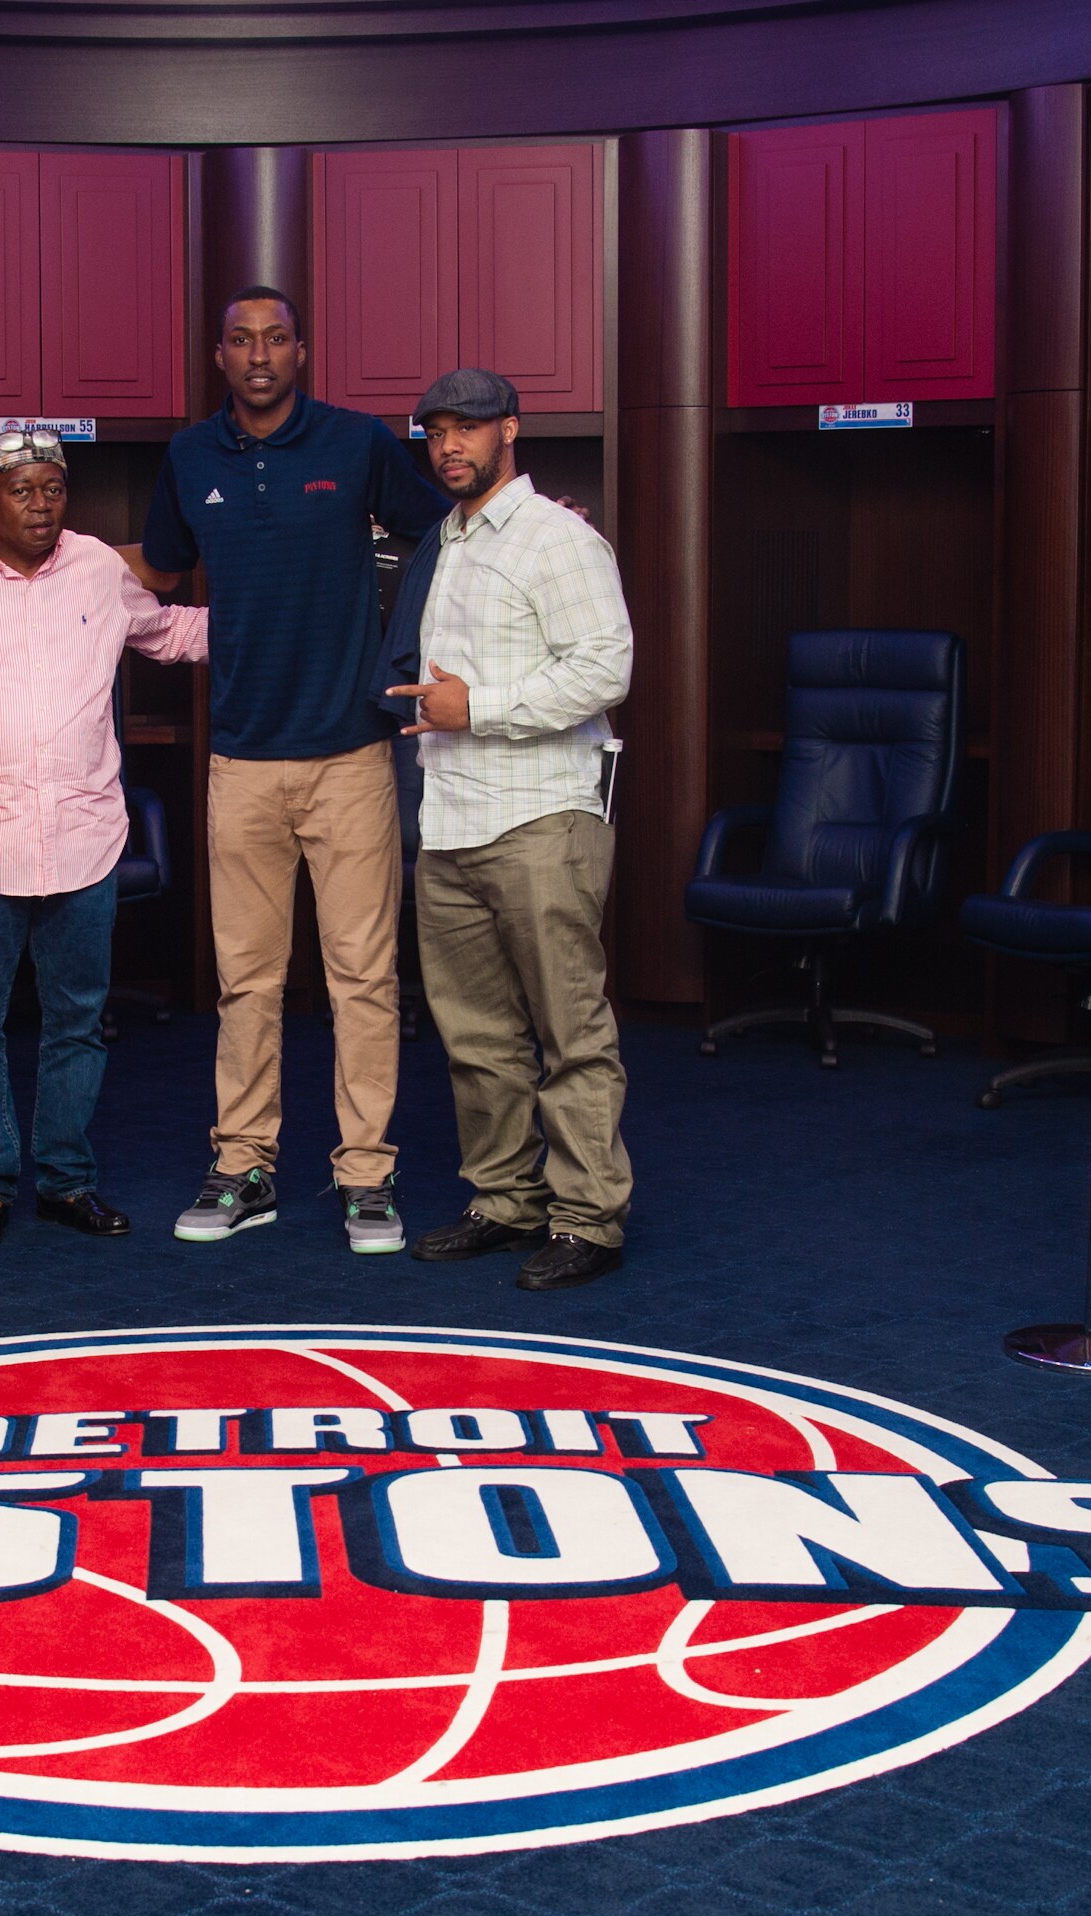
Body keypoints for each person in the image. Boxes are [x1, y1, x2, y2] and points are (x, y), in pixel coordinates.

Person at [123, 286, 452, 1255]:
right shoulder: (189, 457)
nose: (259, 354)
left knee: (363, 980)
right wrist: (46, 562)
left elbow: (448, 534)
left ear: (301, 351)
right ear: (218, 355)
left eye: (276, 338)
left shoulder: (356, 446)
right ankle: (243, 1168)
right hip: (241, 762)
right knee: (247, 982)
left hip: (351, 755)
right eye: (241, 340)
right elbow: (164, 569)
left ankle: (365, 1178)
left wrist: (404, 657)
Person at [0, 426, 208, 1248]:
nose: (43, 504)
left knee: (76, 1021)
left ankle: (65, 1180)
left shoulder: (95, 566)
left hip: (84, 837)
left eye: (54, 489)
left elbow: (173, 635)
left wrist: (282, 625)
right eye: (24, 491)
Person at [384, 368, 635, 1291]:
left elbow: (605, 668)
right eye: (437, 431)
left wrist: (476, 707)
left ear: (511, 431)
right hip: (449, 818)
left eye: (470, 429)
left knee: (569, 1030)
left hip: (540, 815)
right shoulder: (441, 541)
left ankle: (588, 1218)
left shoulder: (555, 538)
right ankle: (505, 1199)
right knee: (477, 1037)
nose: (451, 445)